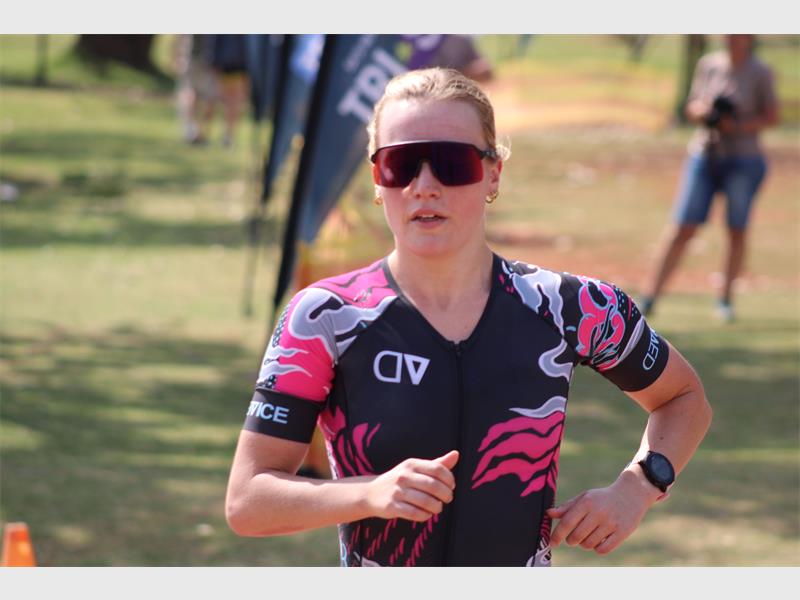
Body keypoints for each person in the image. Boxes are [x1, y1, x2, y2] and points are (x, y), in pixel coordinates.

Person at [225, 68, 712, 566]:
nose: (424, 186)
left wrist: (638, 487)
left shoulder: (569, 306)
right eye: (400, 164)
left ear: (493, 173)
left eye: (452, 163)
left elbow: (683, 397)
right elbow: (247, 501)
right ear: (377, 180)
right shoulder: (326, 317)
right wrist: (368, 494)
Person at [640, 35, 780, 323]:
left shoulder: (760, 72)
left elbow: (771, 116)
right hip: (705, 154)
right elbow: (692, 105)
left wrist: (737, 124)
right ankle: (650, 297)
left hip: (744, 158)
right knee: (683, 226)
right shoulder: (709, 65)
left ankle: (725, 300)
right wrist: (704, 113)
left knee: (736, 229)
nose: (730, 39)